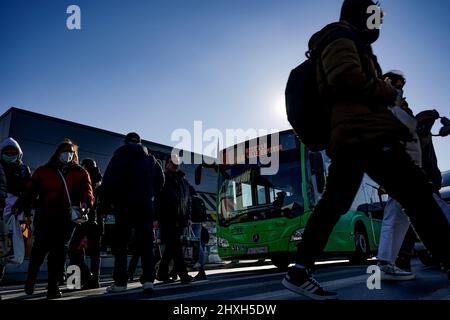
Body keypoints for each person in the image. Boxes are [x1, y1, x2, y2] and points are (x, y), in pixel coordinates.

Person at [282, 0, 450, 300]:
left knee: (335, 203)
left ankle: (299, 270)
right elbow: (345, 78)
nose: (379, 22)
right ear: (363, 14)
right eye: (376, 15)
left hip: (353, 136)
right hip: (365, 135)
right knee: (417, 195)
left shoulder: (343, 38)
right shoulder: (340, 35)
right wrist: (387, 91)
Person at [14, 139, 94, 299]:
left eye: (71, 152)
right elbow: (30, 190)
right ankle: (31, 280)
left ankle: (53, 287)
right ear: (58, 153)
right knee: (39, 251)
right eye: (65, 151)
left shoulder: (80, 172)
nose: (68, 155)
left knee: (58, 254)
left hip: (67, 220)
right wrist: (20, 205)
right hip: (45, 217)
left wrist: (87, 203)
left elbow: (88, 189)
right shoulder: (44, 171)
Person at [101, 132, 164, 294]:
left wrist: (105, 206)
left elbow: (107, 183)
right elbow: (161, 180)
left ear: (125, 142)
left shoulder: (119, 157)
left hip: (124, 208)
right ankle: (149, 280)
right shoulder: (150, 159)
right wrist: (150, 193)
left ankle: (121, 282)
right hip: (145, 207)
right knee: (146, 245)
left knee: (120, 245)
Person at [155, 154, 193, 284]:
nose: (175, 164)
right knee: (175, 247)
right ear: (167, 163)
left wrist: (188, 217)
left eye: (177, 162)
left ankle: (162, 273)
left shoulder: (183, 181)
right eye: (172, 162)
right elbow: (158, 201)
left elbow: (188, 201)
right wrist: (156, 218)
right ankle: (183, 274)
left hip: (181, 219)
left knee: (172, 247)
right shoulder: (163, 178)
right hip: (168, 219)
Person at [68, 158, 104, 289]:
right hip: (98, 221)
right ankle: (94, 280)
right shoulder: (100, 180)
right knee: (95, 253)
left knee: (73, 249)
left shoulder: (84, 178)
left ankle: (82, 277)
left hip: (83, 219)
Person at [0, 138, 32, 285]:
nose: (10, 154)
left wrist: (27, 212)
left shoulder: (24, 169)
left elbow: (30, 192)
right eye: (7, 152)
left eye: (13, 152)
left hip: (20, 214)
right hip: (2, 212)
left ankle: (24, 255)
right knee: (3, 244)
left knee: (25, 236)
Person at [190, 186, 208, 281]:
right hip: (199, 224)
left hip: (191, 224)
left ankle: (200, 266)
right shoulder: (200, 199)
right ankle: (201, 267)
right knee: (198, 243)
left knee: (192, 245)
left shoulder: (189, 199)